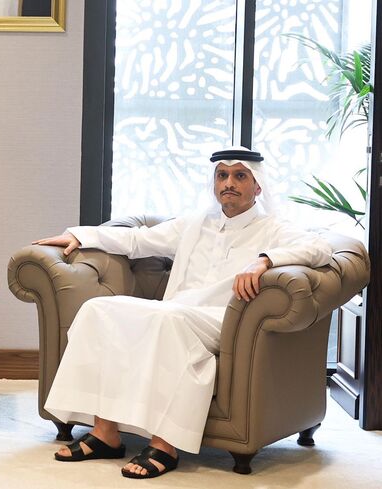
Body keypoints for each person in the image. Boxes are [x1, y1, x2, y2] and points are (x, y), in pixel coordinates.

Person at [34, 147, 332, 479]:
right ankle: (105, 433)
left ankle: (165, 445)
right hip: (177, 312)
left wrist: (265, 260)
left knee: (167, 320)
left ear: (257, 186)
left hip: (226, 320)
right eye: (222, 176)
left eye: (239, 176)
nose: (229, 183)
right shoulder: (195, 224)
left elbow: (321, 248)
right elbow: (138, 241)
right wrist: (80, 234)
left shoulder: (274, 228)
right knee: (97, 309)